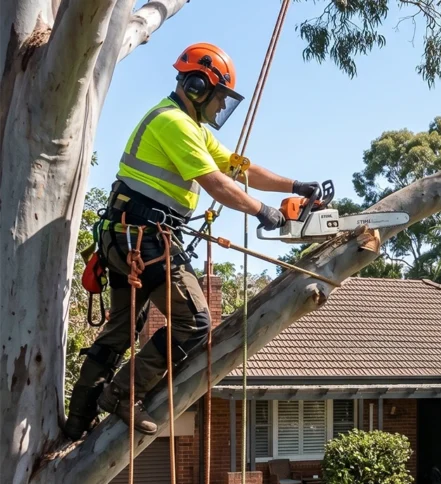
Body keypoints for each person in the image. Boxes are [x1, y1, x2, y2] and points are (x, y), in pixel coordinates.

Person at [64, 43, 317, 440]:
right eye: (217, 98)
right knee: (195, 323)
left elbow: (237, 166)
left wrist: (295, 185)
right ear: (197, 86)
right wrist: (263, 211)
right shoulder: (174, 124)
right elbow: (217, 185)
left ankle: (76, 423)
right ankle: (122, 394)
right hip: (143, 239)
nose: (219, 108)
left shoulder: (190, 126)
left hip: (127, 234)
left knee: (123, 329)